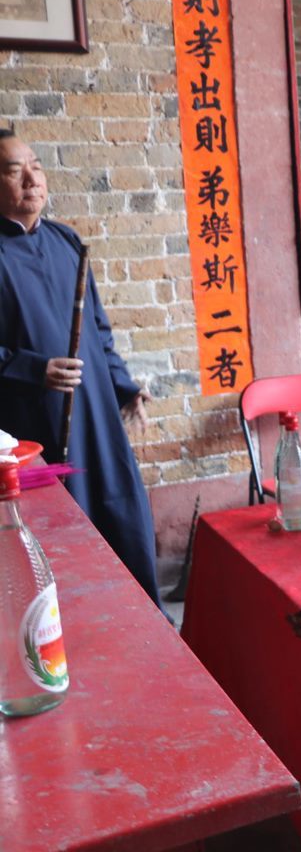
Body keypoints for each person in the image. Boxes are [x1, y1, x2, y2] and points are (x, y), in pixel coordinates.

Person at [0, 129, 163, 608]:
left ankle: (147, 635)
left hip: (96, 418)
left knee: (123, 525)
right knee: (58, 547)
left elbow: (98, 330)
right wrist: (33, 369)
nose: (32, 178)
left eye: (36, 166)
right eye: (14, 170)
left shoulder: (67, 241)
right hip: (32, 426)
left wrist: (124, 387)